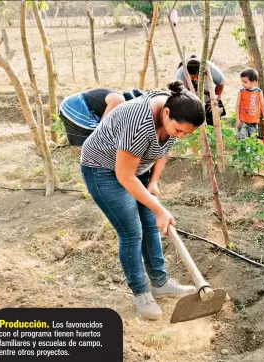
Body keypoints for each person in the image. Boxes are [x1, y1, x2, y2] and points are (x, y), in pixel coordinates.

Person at [80, 81, 206, 320]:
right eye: (178, 130)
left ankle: (160, 284)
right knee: (132, 232)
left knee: (150, 226)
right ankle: (140, 293)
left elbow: (164, 147)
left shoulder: (174, 113)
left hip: (136, 169)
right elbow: (123, 175)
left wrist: (154, 182)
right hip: (102, 170)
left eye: (184, 134)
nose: (179, 135)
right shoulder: (139, 122)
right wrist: (159, 209)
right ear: (166, 113)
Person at [59, 88, 143, 146]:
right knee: (98, 136)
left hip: (68, 106)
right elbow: (104, 126)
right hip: (74, 107)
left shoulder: (117, 97)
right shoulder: (119, 100)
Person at [174, 55, 226, 126]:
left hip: (208, 99)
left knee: (213, 125)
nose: (195, 79)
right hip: (191, 101)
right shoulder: (180, 73)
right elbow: (179, 92)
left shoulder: (209, 67)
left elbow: (220, 83)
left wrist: (214, 100)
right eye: (192, 77)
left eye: (197, 76)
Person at [235, 68, 264, 140]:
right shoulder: (241, 91)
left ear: (254, 81)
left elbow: (262, 106)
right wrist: (237, 119)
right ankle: (242, 151)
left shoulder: (258, 92)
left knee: (252, 140)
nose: (242, 84)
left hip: (254, 122)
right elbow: (237, 106)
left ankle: (250, 151)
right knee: (242, 139)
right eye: (242, 81)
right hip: (243, 121)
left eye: (245, 82)